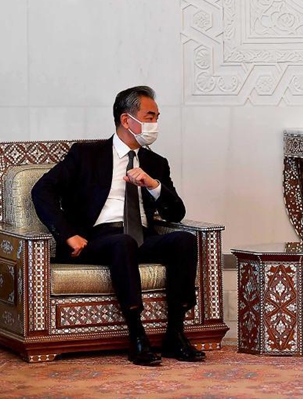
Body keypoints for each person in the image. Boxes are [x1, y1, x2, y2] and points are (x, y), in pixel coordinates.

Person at [31, 86, 205, 366]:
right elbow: (42, 190)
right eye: (149, 117)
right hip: (97, 239)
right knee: (122, 242)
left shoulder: (156, 163)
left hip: (141, 237)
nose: (155, 124)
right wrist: (67, 234)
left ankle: (175, 333)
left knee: (183, 240)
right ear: (126, 120)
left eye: (157, 117)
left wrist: (153, 185)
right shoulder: (86, 154)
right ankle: (137, 335)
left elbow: (176, 213)